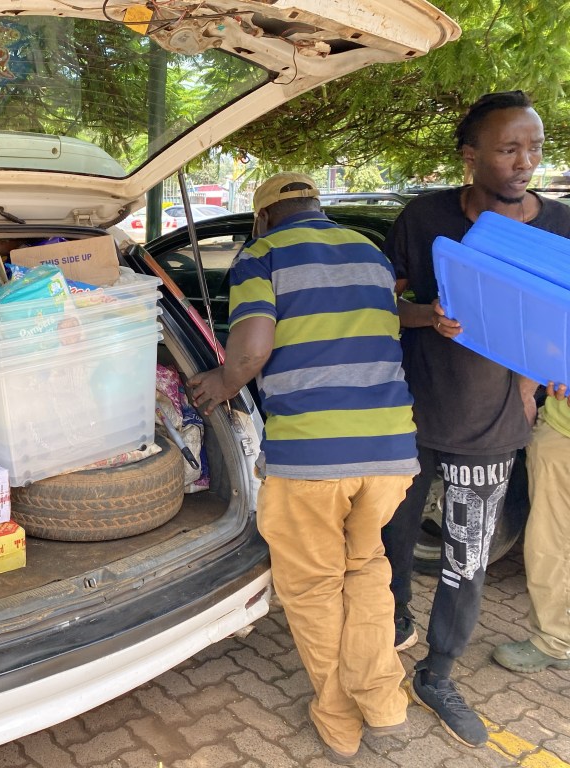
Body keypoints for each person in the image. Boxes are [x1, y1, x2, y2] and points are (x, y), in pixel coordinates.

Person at [190, 172, 418, 764]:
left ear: (262, 217)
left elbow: (251, 349)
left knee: (314, 586)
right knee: (366, 567)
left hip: (313, 456)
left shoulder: (262, 254)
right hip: (390, 449)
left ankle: (338, 719)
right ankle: (384, 702)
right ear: (317, 205)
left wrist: (222, 381)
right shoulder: (369, 252)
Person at [381, 90, 570, 748]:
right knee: (390, 541)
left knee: (466, 561)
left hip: (495, 424)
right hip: (409, 416)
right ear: (470, 155)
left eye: (534, 149)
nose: (525, 163)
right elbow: (385, 305)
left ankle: (438, 674)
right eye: (508, 149)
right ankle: (392, 625)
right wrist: (426, 315)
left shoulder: (560, 225)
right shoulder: (424, 217)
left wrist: (550, 371)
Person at [492, 384, 570, 673]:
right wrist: (526, 393)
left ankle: (555, 641)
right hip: (559, 427)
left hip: (563, 436)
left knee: (551, 542)